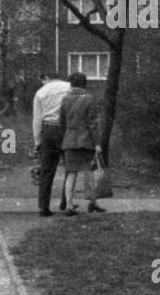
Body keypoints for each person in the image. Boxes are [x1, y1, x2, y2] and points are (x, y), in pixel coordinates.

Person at [59, 72, 106, 213]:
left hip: (69, 141)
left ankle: (68, 205)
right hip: (86, 140)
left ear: (71, 84)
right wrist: (97, 143)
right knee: (89, 172)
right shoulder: (89, 99)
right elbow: (93, 124)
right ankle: (92, 203)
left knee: (71, 173)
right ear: (84, 84)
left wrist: (65, 138)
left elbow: (61, 122)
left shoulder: (65, 99)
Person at [31, 71, 72, 217]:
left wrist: (37, 141)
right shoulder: (70, 87)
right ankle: (67, 203)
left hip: (48, 129)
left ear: (46, 78)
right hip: (67, 129)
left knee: (47, 170)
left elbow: (37, 119)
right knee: (70, 168)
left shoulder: (41, 92)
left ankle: (44, 207)